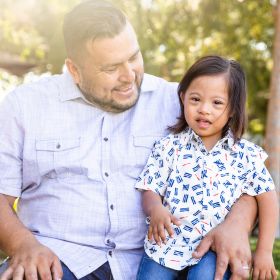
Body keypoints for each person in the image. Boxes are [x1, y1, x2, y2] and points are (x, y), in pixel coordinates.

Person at [0, 1, 257, 279]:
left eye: (133, 57)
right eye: (110, 68)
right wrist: (23, 245)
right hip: (59, 259)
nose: (129, 76)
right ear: (74, 70)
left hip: (159, 260)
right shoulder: (24, 106)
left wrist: (236, 225)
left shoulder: (182, 103)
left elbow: (247, 177)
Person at [135, 55, 279, 280]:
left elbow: (268, 198)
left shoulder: (245, 154)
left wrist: (264, 251)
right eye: (195, 99)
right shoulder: (168, 146)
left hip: (213, 248)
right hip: (166, 244)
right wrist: (155, 209)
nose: (204, 109)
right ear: (183, 98)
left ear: (232, 109)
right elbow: (149, 188)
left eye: (217, 103)